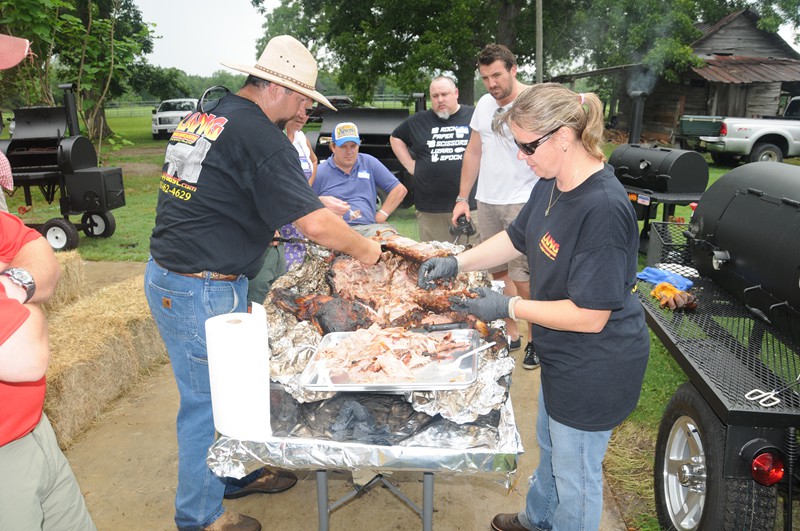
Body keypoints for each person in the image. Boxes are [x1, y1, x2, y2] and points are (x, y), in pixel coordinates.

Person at [145, 35, 382, 531]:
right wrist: (368, 250)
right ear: (277, 87)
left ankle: (229, 474)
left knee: (228, 390)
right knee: (207, 404)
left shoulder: (211, 113)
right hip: (199, 285)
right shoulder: (260, 136)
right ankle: (199, 517)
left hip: (181, 274)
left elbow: (224, 195)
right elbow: (315, 225)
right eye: (302, 99)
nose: (303, 111)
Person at [418, 83, 650, 531]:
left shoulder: (602, 208)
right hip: (561, 353)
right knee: (551, 445)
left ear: (563, 137)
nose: (521, 157)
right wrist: (457, 262)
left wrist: (508, 305)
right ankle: (538, 519)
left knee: (576, 474)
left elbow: (590, 316)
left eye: (527, 146)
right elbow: (515, 237)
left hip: (595, 366)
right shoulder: (551, 184)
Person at [0, 212, 97, 530]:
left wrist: (11, 284)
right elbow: (28, 354)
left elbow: (36, 247)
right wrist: (30, 301)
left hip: (37, 432)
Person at [452, 44, 539, 367]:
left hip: (523, 202)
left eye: (497, 75)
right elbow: (474, 152)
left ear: (513, 70)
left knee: (525, 278)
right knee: (499, 275)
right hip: (487, 200)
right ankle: (511, 333)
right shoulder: (485, 104)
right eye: (485, 77)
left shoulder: (533, 100)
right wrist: (463, 198)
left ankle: (537, 341)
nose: (491, 84)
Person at [390, 75, 479, 244]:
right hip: (430, 209)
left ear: (456, 93)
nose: (440, 100)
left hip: (471, 205)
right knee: (434, 256)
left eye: (444, 94)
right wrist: (409, 165)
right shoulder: (418, 120)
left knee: (473, 257)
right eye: (435, 96)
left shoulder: (474, 116)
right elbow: (395, 138)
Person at [313, 121, 407, 237]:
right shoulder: (319, 172)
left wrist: (382, 215)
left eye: (353, 146)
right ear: (333, 147)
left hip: (369, 228)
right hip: (335, 231)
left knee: (395, 242)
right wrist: (320, 200)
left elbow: (399, 190)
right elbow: (303, 202)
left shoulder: (368, 162)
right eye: (343, 147)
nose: (349, 152)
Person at [279, 102, 319, 268]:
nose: (303, 116)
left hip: (300, 217)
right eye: (299, 109)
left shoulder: (302, 138)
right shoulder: (274, 137)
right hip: (279, 222)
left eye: (308, 111)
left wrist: (306, 189)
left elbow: (314, 161)